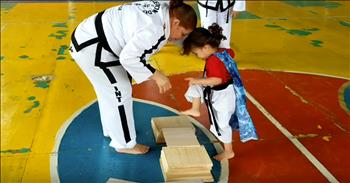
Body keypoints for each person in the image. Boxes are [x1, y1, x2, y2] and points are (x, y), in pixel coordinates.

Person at [69, 0, 197, 155]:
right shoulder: (154, 30)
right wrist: (157, 75)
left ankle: (113, 130)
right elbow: (128, 59)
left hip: (90, 36)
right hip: (93, 47)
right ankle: (124, 144)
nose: (180, 38)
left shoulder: (166, 8)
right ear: (176, 22)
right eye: (183, 33)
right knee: (119, 92)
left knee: (110, 91)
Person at [181, 23, 258, 161]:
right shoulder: (221, 52)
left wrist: (199, 81)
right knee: (195, 85)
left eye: (196, 53)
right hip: (222, 90)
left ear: (205, 47)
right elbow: (231, 53)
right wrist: (198, 82)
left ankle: (229, 151)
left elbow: (217, 80)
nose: (197, 56)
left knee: (222, 125)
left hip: (224, 95)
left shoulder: (213, 61)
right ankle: (195, 109)